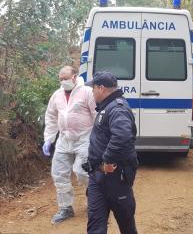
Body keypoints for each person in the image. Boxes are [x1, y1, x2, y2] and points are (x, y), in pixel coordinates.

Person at [84, 71, 138, 234]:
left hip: (115, 177)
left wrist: (107, 160)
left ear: (101, 88)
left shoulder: (117, 108)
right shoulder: (107, 106)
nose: (92, 92)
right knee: (95, 225)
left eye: (93, 89)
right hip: (97, 177)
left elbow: (122, 136)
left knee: (126, 224)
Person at [42, 66, 96, 224]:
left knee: (82, 172)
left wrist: (98, 139)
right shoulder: (57, 95)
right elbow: (51, 117)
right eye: (60, 79)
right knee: (58, 174)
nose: (63, 81)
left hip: (85, 138)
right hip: (64, 140)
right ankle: (66, 208)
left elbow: (97, 114)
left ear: (75, 76)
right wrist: (48, 139)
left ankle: (93, 200)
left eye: (65, 78)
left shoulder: (87, 92)